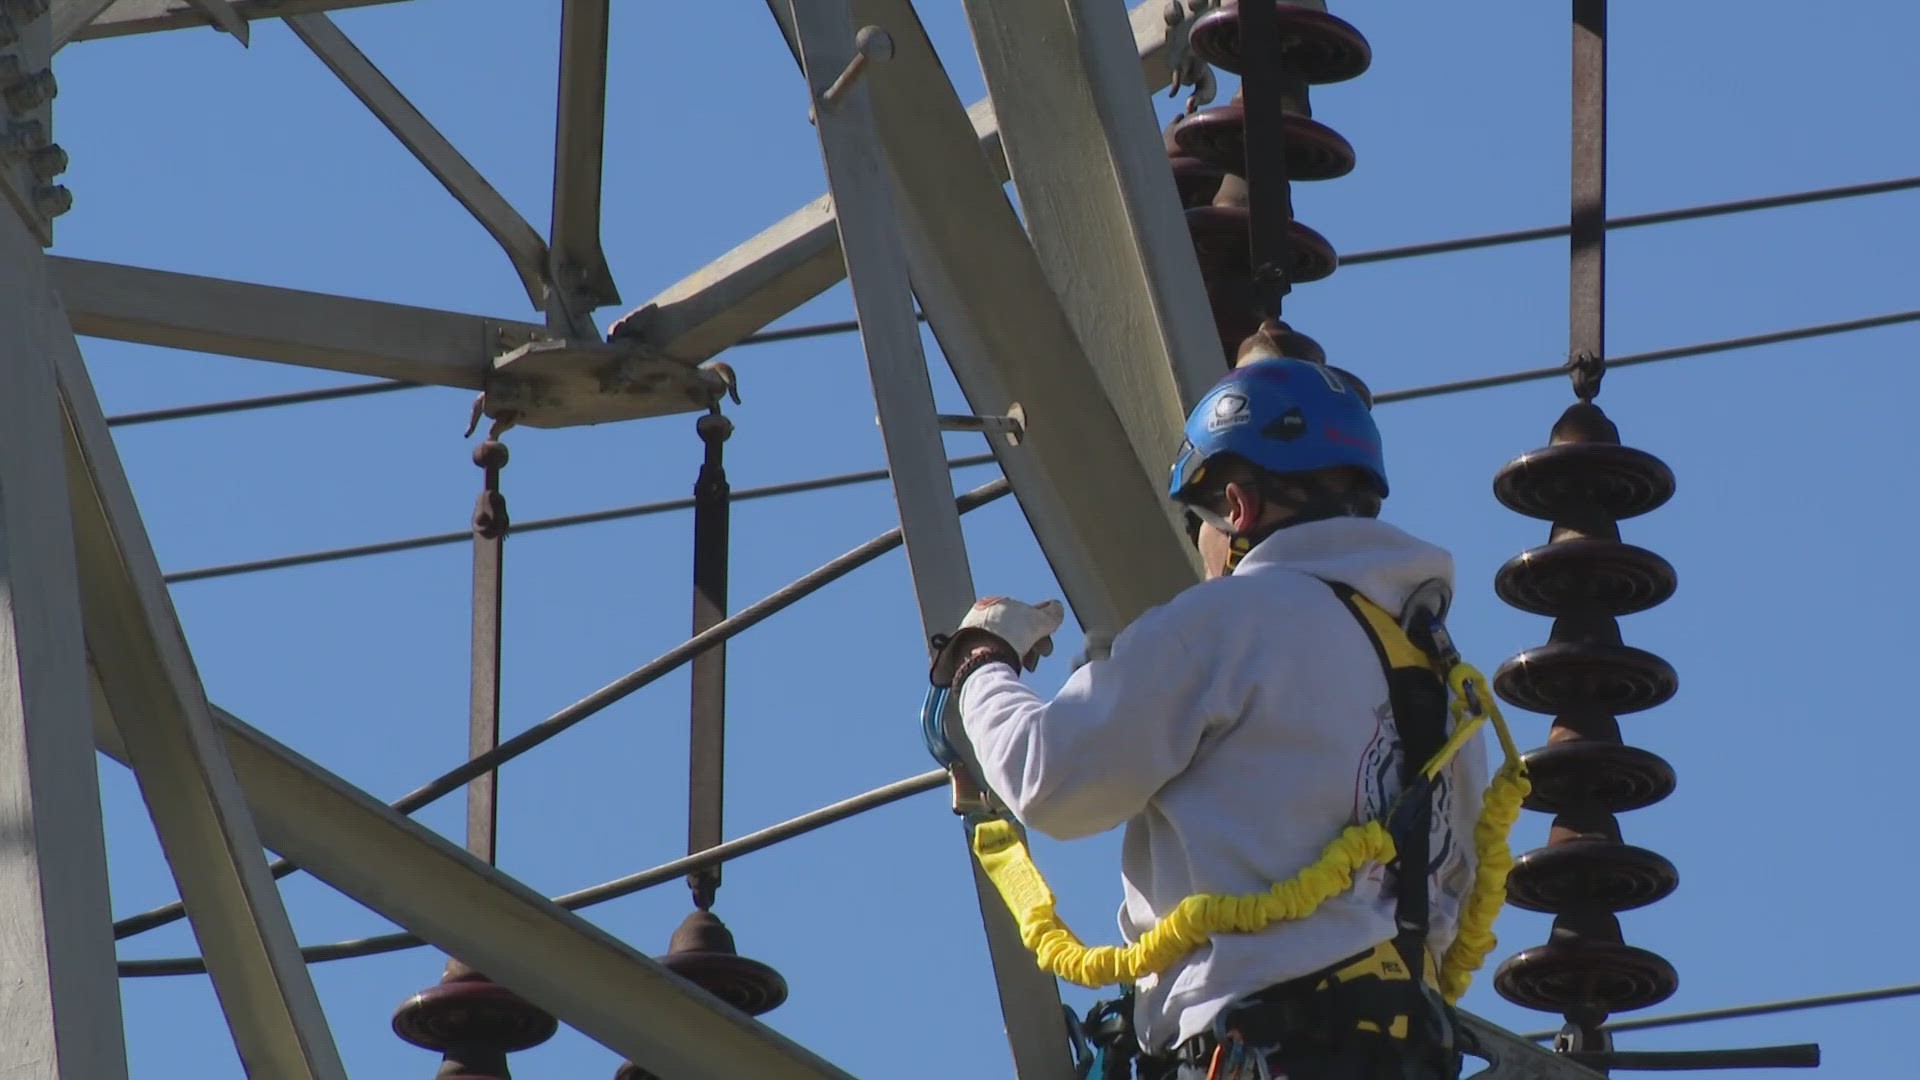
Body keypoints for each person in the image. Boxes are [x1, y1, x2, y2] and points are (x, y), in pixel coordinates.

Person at [930, 350, 1488, 1079]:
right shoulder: (1446, 683)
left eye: (1202, 523)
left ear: (1237, 506)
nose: (1203, 549)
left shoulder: (1232, 620)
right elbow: (1454, 889)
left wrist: (978, 666)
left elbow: (1049, 779)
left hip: (1257, 1047)